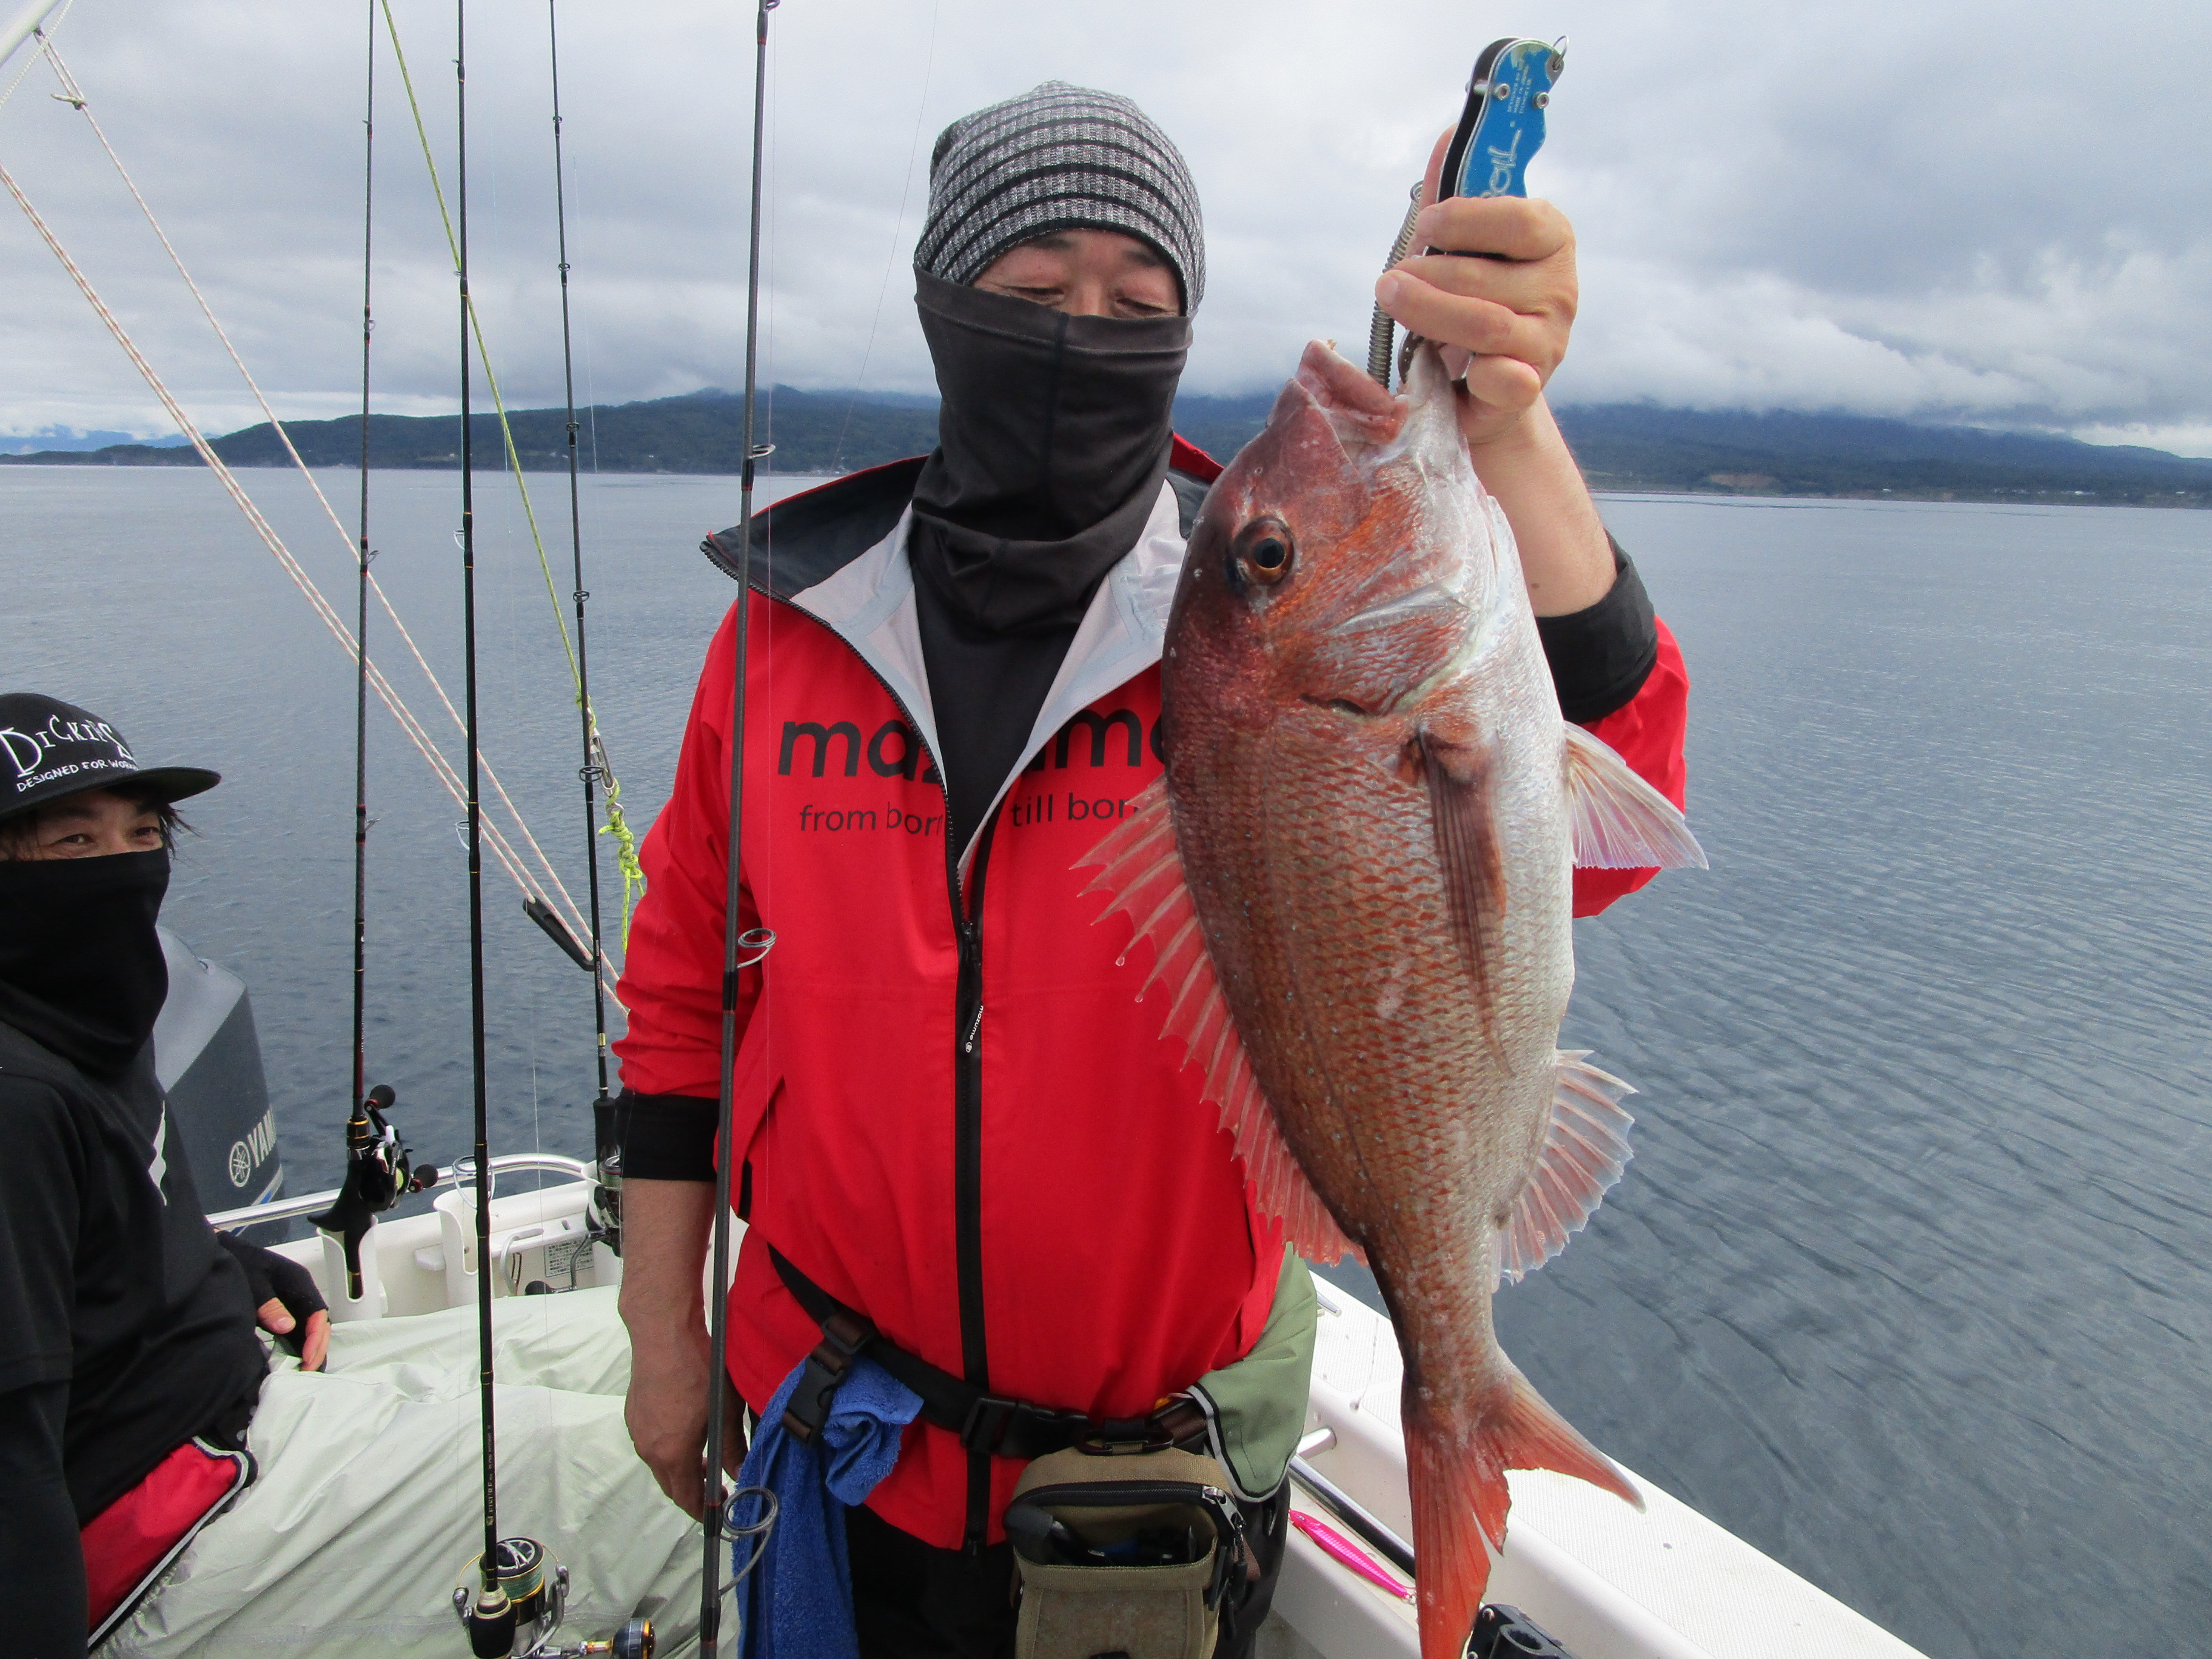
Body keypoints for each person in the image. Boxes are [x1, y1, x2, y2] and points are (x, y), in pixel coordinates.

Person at [612, 82, 1689, 1655]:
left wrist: (1510, 423)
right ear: (939, 305)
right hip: (829, 1447)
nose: (1083, 329)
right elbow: (675, 998)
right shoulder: (780, 637)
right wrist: (661, 1328)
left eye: (1140, 298)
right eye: (1032, 290)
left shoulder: (1255, 625)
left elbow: (1615, 789)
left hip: (1152, 1495)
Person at [0, 694, 701, 1657]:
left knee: (721, 1363)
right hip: (178, 1527)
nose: (125, 867)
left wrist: (228, 1267)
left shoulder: (80, 1021)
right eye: (75, 845)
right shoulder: (17, 1097)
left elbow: (92, 1245)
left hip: (257, 1385)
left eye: (143, 832)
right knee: (699, 1489)